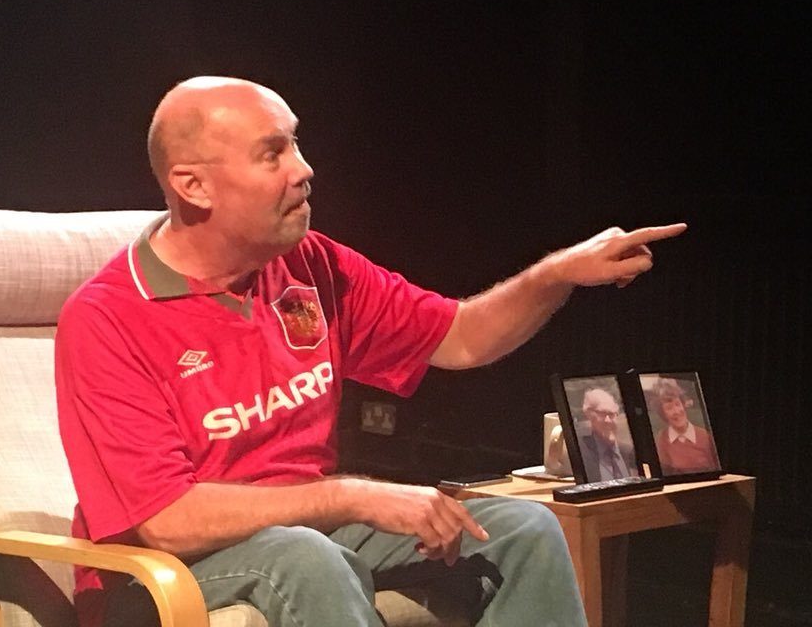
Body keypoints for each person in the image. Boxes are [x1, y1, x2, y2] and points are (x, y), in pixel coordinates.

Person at [55, 75, 687, 627]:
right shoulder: (108, 318)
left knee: (522, 531)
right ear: (194, 185)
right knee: (306, 558)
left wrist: (556, 275)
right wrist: (353, 496)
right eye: (273, 153)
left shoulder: (309, 265)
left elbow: (462, 336)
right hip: (156, 576)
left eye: (295, 143)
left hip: (304, 534)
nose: (303, 169)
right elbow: (166, 520)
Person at [648, 376, 719, 474]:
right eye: (669, 408)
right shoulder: (662, 440)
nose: (676, 411)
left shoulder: (705, 436)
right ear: (663, 414)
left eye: (678, 404)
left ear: (683, 405)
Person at [575, 387, 639, 482]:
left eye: (612, 414)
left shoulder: (629, 452)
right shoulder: (580, 453)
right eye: (602, 414)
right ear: (589, 414)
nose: (608, 420)